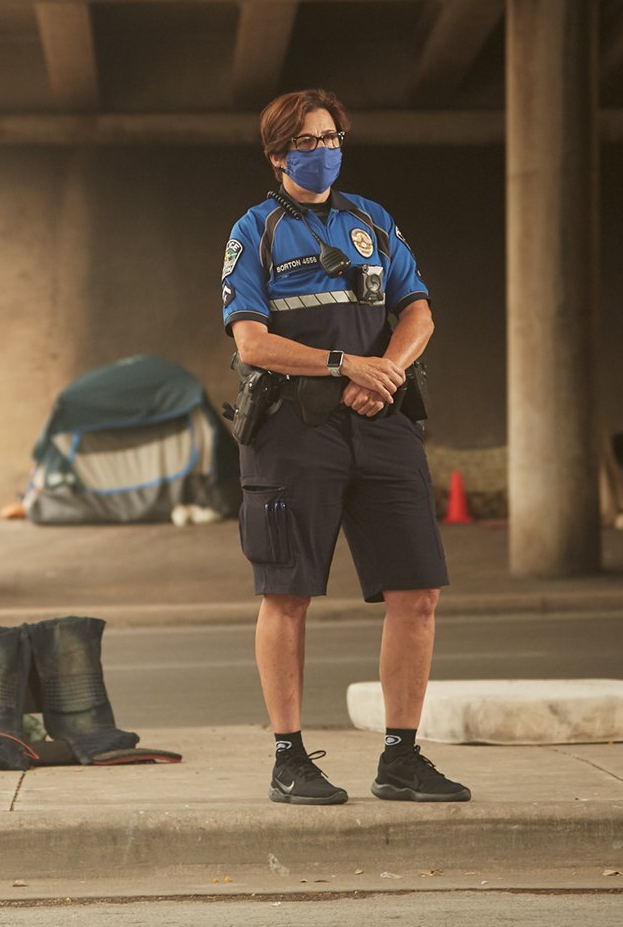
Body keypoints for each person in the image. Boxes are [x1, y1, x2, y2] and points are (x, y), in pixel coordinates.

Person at [221, 88, 469, 806]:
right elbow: (252, 339)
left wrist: (383, 370)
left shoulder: (372, 219)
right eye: (305, 141)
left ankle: (401, 759)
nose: (322, 150)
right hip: (294, 429)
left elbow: (416, 308)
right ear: (277, 156)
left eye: (330, 137)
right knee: (287, 593)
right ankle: (289, 759)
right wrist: (342, 366)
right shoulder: (256, 230)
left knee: (418, 592)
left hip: (381, 420)